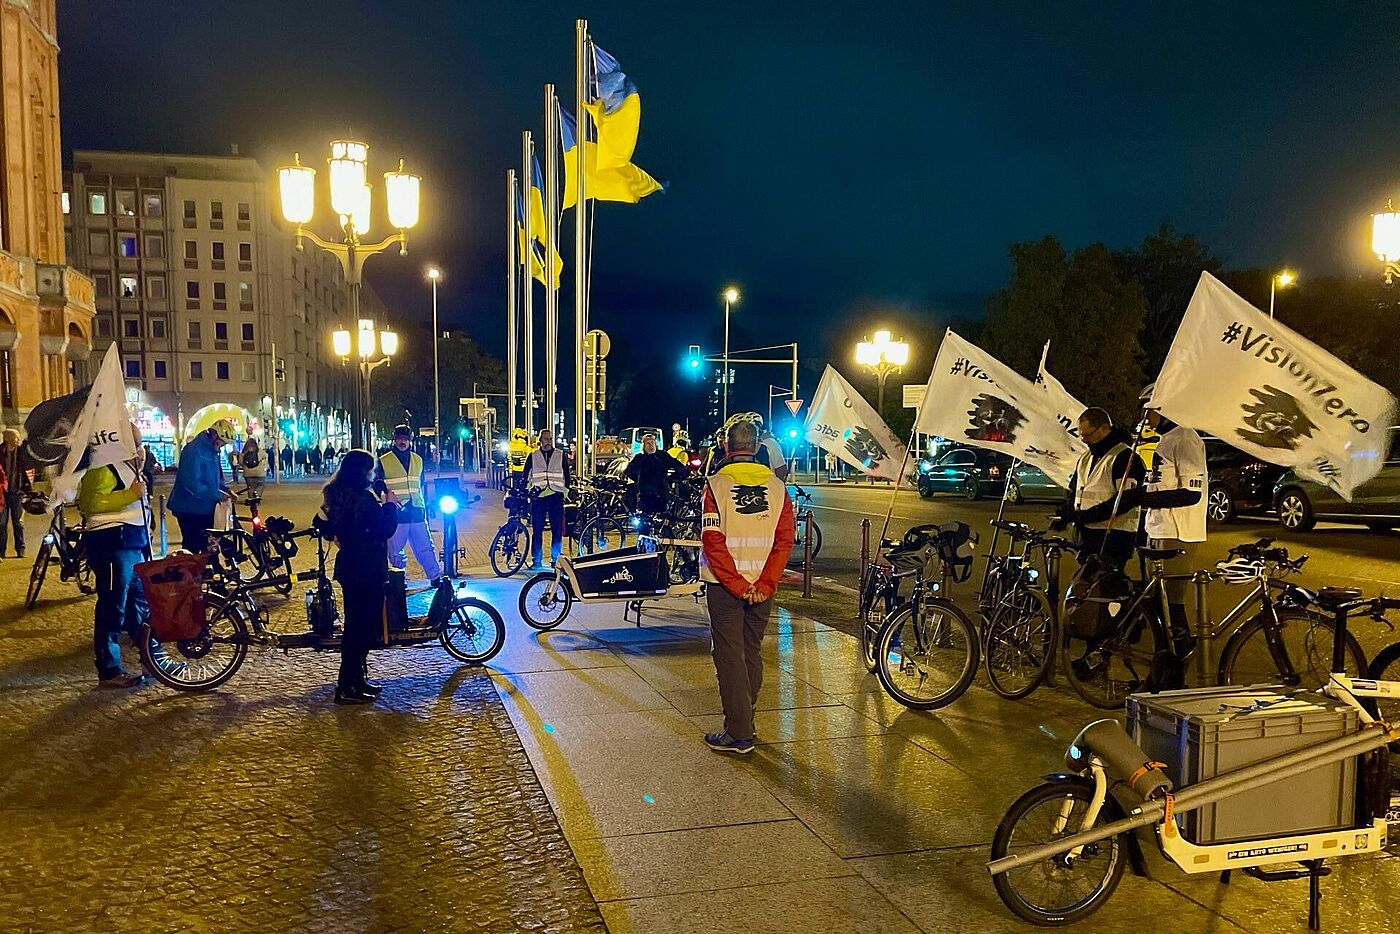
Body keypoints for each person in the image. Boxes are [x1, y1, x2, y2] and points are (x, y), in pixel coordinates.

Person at [699, 419, 795, 754]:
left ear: (727, 446)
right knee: (750, 652)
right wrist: (764, 584)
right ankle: (746, 715)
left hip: (725, 587)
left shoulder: (716, 486)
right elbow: (785, 542)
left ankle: (739, 734)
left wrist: (738, 585)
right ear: (756, 447)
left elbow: (713, 541)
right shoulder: (779, 489)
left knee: (728, 655)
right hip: (762, 588)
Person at [315, 449, 399, 704]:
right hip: (366, 569)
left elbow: (321, 523)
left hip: (351, 567)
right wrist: (391, 505)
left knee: (357, 626)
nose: (373, 474)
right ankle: (346, 686)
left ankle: (356, 680)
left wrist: (337, 536)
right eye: (371, 470)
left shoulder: (338, 495)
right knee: (361, 628)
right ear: (363, 472)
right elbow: (385, 529)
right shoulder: (363, 499)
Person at [79, 423, 152, 688]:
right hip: (111, 543)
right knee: (113, 606)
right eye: (135, 441)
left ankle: (152, 657)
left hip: (132, 541)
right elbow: (88, 504)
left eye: (140, 442)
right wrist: (128, 496)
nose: (140, 447)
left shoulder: (130, 466)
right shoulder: (101, 467)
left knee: (140, 603)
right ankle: (109, 669)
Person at [1138, 385, 1208, 653]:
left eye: (1149, 410)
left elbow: (1191, 493)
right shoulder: (1164, 440)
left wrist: (1147, 500)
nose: (1146, 418)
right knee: (1155, 602)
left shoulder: (1185, 438)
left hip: (1178, 532)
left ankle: (1177, 663)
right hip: (1157, 529)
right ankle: (1162, 664)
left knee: (1170, 602)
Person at [1055, 407, 1144, 569]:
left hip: (1114, 537)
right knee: (1083, 586)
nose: (1084, 440)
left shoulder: (1125, 458)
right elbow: (1076, 490)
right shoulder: (1085, 457)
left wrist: (1084, 516)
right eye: (1082, 435)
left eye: (1088, 435)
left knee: (1098, 588)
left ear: (1104, 429)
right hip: (1086, 536)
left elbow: (1125, 501)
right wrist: (1066, 513)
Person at [376, 424, 444, 582]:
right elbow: (376, 483)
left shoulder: (418, 460)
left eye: (405, 439)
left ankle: (435, 577)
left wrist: (427, 505)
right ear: (394, 440)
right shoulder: (383, 461)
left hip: (417, 511)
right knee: (395, 550)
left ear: (410, 440)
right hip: (397, 513)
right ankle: (398, 581)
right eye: (399, 438)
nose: (402, 442)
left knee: (426, 547)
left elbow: (420, 485)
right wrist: (385, 494)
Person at [168, 420, 235, 554]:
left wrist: (226, 490)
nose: (222, 446)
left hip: (205, 507)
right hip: (189, 508)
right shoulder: (193, 450)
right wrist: (218, 495)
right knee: (192, 545)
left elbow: (214, 479)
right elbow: (192, 484)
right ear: (215, 436)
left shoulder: (212, 451)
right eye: (222, 442)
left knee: (208, 545)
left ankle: (205, 571)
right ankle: (190, 573)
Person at [521, 427, 572, 569]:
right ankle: (537, 560)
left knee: (557, 530)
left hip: (556, 496)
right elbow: (526, 476)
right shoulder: (533, 455)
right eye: (545, 439)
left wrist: (564, 492)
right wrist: (528, 491)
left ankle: (556, 559)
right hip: (539, 497)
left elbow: (567, 476)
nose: (548, 442)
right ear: (540, 440)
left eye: (550, 439)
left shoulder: (560, 455)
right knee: (537, 530)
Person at [626, 431, 687, 514]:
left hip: (661, 494)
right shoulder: (639, 458)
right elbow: (628, 471)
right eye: (648, 443)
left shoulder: (662, 456)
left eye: (652, 443)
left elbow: (680, 467)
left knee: (661, 518)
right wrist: (639, 480)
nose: (651, 446)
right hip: (645, 495)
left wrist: (670, 479)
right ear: (644, 446)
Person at [0, 427, 29, 558]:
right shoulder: (0, 452)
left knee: (18, 521)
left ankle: (20, 548)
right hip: (2, 493)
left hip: (18, 491)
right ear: (7, 439)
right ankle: (1, 550)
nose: (18, 440)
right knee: (1, 522)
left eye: (18, 437)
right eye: (15, 437)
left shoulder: (22, 452)